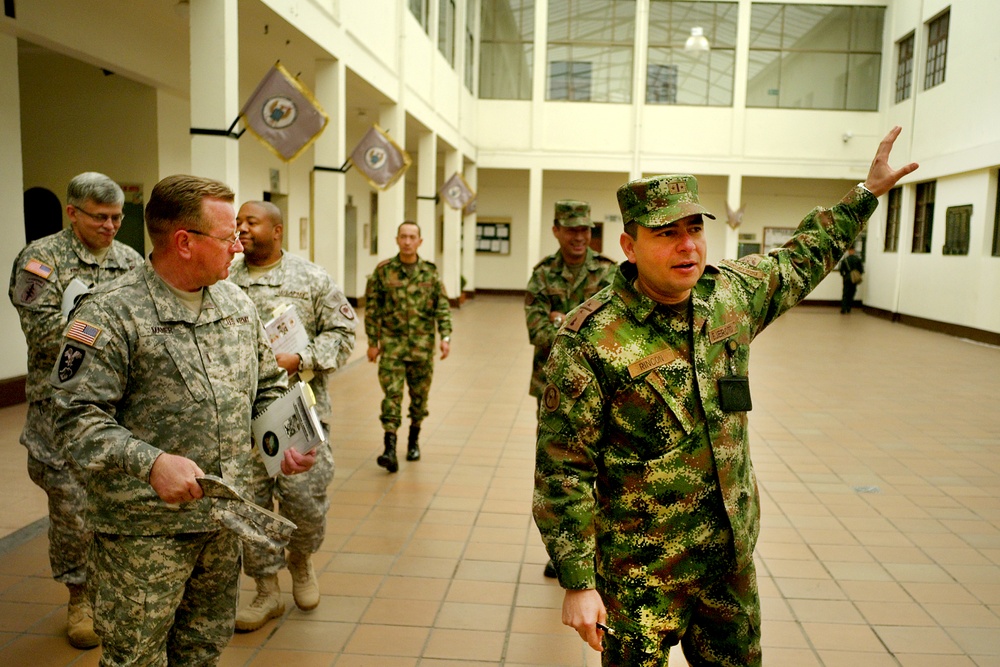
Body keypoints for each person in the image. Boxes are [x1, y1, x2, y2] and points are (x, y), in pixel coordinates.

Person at [533, 127, 918, 666]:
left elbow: (801, 258)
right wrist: (577, 580)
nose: (687, 245)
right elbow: (561, 468)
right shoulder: (590, 337)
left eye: (694, 228)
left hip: (728, 567)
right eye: (667, 233)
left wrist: (866, 194)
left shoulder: (728, 296)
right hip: (639, 577)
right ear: (628, 245)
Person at [49, 174, 315, 666]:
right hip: (144, 532)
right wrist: (151, 464)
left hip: (219, 523)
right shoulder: (110, 313)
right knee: (136, 658)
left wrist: (283, 439)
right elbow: (72, 417)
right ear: (184, 242)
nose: (238, 245)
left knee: (202, 651)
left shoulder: (236, 304)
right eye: (227, 236)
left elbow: (264, 388)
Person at [8, 172, 143, 649]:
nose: (111, 226)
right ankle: (79, 596)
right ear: (72, 212)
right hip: (61, 410)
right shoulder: (41, 260)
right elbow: (46, 337)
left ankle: (113, 591)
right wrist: (99, 332)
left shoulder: (130, 260)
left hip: (117, 408)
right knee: (71, 507)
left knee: (116, 504)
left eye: (117, 217)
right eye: (100, 217)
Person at [228, 201, 357, 631]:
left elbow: (343, 333)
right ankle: (266, 589)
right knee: (250, 504)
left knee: (305, 500)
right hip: (240, 417)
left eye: (252, 222)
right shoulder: (224, 279)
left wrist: (299, 358)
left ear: (278, 230)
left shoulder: (311, 279)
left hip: (297, 410)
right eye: (238, 222)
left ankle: (301, 562)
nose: (241, 229)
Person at [525, 199, 616, 579]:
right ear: (556, 230)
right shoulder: (542, 275)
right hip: (556, 391)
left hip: (606, 388)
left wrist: (562, 322)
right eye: (572, 229)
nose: (580, 237)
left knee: (607, 469)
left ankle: (600, 550)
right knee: (560, 476)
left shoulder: (610, 272)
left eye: (585, 229)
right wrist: (582, 334)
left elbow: (616, 330)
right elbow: (537, 333)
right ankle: (564, 552)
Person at [365, 221, 452, 472]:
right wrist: (372, 342)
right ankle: (389, 449)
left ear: (420, 242)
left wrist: (445, 337)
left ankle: (414, 441)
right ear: (396, 239)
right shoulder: (383, 272)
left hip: (422, 348)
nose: (407, 241)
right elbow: (372, 310)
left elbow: (442, 307)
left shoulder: (430, 272)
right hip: (392, 347)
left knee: (419, 399)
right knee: (392, 396)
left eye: (412, 237)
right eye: (403, 236)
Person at [838, 246, 864, 313]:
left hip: (847, 278)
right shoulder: (858, 260)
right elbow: (861, 270)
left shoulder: (845, 260)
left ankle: (843, 308)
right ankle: (849, 308)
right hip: (854, 279)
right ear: (854, 251)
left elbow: (841, 270)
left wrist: (844, 276)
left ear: (849, 251)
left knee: (845, 293)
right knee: (852, 293)